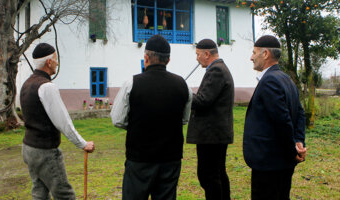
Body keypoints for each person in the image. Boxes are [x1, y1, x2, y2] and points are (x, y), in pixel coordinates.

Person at [111, 34, 192, 200]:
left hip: (140, 158)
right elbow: (184, 119)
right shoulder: (183, 85)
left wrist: (138, 124)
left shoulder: (131, 83)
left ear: (146, 58)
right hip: (171, 157)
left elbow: (118, 119)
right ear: (168, 60)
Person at [20, 43, 95, 200]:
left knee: (39, 193)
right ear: (49, 62)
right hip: (44, 152)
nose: (57, 62)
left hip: (29, 148)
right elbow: (63, 122)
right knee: (64, 195)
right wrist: (83, 144)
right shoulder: (47, 87)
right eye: (55, 59)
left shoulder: (26, 84)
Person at [243, 35, 307, 200]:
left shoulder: (269, 80)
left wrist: (292, 149)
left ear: (265, 54)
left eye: (254, 52)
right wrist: (298, 141)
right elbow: (300, 113)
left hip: (270, 163)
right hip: (282, 162)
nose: (251, 57)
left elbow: (282, 121)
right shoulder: (286, 79)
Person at [186, 39, 234, 200]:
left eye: (198, 54)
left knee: (208, 176)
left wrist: (184, 93)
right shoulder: (218, 69)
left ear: (207, 54)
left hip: (211, 135)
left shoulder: (217, 71)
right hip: (216, 134)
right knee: (218, 173)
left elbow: (202, 101)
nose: (196, 58)